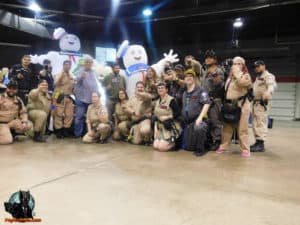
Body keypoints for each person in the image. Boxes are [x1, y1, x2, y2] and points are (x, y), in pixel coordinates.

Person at [217, 56, 253, 157]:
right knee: (227, 126)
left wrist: (237, 73)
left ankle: (245, 149)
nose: (236, 66)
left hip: (242, 104)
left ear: (243, 66)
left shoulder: (246, 76)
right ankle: (224, 146)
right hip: (230, 104)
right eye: (234, 64)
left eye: (239, 64)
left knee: (242, 128)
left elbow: (243, 83)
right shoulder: (229, 77)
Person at [180, 69, 211, 156]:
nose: (188, 78)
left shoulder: (201, 90)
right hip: (188, 123)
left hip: (198, 120)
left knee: (199, 127)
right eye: (186, 76)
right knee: (189, 148)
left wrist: (200, 117)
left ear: (194, 78)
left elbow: (207, 103)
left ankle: (201, 149)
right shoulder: (185, 93)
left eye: (190, 76)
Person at [74, 57, 103, 138]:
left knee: (90, 118)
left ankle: (88, 133)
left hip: (90, 99)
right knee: (79, 117)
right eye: (87, 62)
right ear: (84, 63)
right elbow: (76, 81)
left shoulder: (93, 72)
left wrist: (98, 94)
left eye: (90, 63)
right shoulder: (80, 70)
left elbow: (95, 85)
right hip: (81, 98)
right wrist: (81, 77)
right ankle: (78, 135)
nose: (88, 64)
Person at [251, 60, 276, 152]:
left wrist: (267, 93)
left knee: (260, 122)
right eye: (255, 67)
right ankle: (257, 141)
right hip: (256, 103)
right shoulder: (258, 77)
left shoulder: (268, 76)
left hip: (262, 103)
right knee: (255, 122)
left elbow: (271, 86)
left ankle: (260, 144)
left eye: (258, 66)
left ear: (263, 66)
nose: (256, 68)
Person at [202, 50, 225, 150]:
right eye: (206, 57)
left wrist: (215, 74)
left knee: (215, 121)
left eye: (210, 57)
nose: (208, 59)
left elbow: (220, 84)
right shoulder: (205, 71)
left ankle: (217, 140)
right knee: (208, 121)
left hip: (215, 100)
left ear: (215, 60)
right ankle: (210, 140)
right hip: (205, 100)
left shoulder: (218, 70)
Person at [153, 82, 181, 152]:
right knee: (155, 146)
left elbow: (178, 113)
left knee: (161, 148)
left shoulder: (171, 100)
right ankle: (163, 142)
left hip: (170, 126)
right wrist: (155, 128)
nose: (160, 89)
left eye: (162, 88)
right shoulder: (157, 101)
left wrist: (167, 117)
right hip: (160, 127)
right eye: (159, 88)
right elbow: (156, 116)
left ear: (166, 90)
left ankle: (174, 143)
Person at [53, 60, 75, 138]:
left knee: (69, 114)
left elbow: (73, 88)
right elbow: (55, 84)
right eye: (66, 65)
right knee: (58, 113)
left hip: (69, 97)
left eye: (69, 65)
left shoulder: (71, 76)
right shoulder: (58, 74)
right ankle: (58, 131)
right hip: (59, 96)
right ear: (63, 65)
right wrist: (60, 78)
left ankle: (66, 130)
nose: (67, 66)